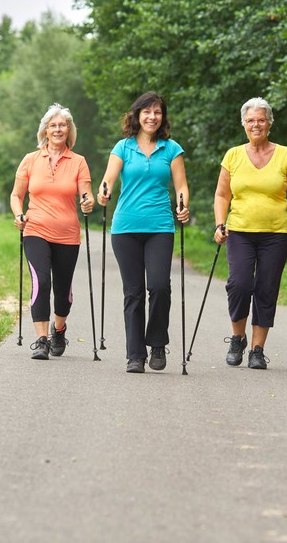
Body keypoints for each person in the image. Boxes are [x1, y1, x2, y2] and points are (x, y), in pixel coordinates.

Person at [97, 92, 190, 373]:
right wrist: (104, 194)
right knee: (133, 292)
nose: (152, 117)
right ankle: (135, 355)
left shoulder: (171, 148)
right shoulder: (123, 148)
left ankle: (158, 343)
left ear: (163, 117)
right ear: (137, 115)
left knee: (160, 286)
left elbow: (181, 186)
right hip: (125, 228)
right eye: (147, 112)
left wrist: (182, 205)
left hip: (160, 226)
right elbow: (108, 180)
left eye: (157, 112)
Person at [213, 98, 287, 369]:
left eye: (261, 120)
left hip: (276, 232)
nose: (256, 125)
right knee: (239, 285)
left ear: (269, 123)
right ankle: (238, 337)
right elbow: (221, 194)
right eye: (251, 120)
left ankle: (257, 349)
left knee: (266, 288)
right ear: (244, 123)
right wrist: (220, 224)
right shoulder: (233, 155)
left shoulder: (285, 154)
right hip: (239, 230)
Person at [10, 104, 94, 360]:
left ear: (69, 131)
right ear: (45, 130)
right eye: (53, 125)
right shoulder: (30, 160)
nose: (58, 129)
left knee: (63, 290)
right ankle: (42, 340)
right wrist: (18, 215)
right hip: (35, 230)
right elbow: (16, 195)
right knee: (41, 281)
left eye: (63, 125)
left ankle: (59, 329)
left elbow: (86, 195)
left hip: (68, 235)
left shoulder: (78, 162)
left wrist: (88, 202)